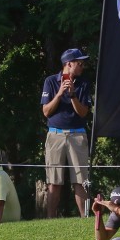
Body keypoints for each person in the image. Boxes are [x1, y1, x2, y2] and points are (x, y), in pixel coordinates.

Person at [40, 48, 92, 218]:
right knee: (54, 181)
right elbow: (46, 111)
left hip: (77, 135)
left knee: (80, 181)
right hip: (55, 135)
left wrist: (72, 96)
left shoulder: (84, 83)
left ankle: (85, 219)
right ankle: (50, 220)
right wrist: (59, 94)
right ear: (69, 64)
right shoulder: (50, 81)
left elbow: (83, 112)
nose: (82, 66)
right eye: (79, 63)